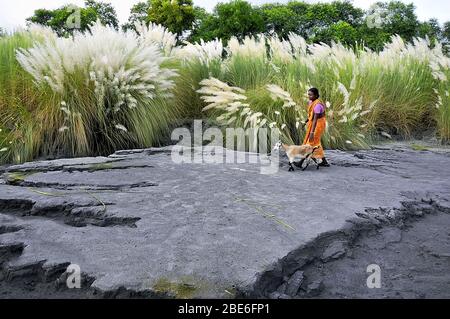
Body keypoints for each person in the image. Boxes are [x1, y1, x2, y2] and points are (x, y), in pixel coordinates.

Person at [302, 88, 330, 167]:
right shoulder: (312, 102)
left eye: (311, 95)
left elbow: (315, 119)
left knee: (310, 143)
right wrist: (306, 121)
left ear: (316, 95)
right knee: (316, 143)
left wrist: (312, 132)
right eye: (308, 94)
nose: (309, 96)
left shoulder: (317, 105)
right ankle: (324, 162)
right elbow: (311, 115)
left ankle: (300, 162)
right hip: (315, 123)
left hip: (318, 124)